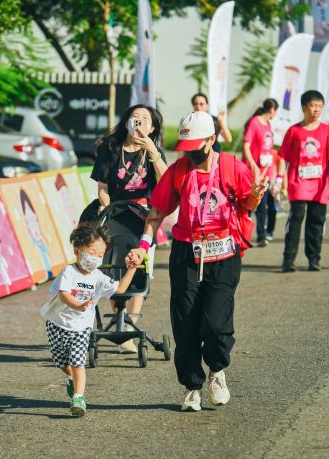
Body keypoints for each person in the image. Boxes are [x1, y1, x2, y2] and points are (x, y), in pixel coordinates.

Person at [126, 111, 268, 411]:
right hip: (187, 254)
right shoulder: (178, 171)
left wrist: (255, 195)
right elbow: (157, 212)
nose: (189, 154)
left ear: (212, 140)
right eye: (185, 147)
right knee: (185, 324)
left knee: (216, 324)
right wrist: (142, 246)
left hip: (224, 255)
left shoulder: (232, 167)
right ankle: (192, 386)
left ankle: (217, 370)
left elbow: (247, 203)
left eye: (195, 147)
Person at [91, 104, 167, 353]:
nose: (139, 121)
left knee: (140, 269)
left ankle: (129, 327)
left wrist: (153, 151)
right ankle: (120, 324)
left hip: (144, 217)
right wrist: (107, 209)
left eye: (145, 119)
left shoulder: (154, 152)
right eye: (134, 117)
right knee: (113, 269)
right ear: (126, 122)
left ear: (152, 127)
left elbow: (166, 183)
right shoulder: (110, 148)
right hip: (113, 213)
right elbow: (102, 187)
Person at [40, 222, 138, 417]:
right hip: (57, 323)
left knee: (78, 362)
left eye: (100, 255)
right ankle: (71, 379)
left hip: (81, 327)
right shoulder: (69, 272)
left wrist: (132, 269)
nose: (95, 258)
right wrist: (77, 305)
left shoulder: (98, 276)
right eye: (91, 253)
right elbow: (63, 294)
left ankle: (78, 398)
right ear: (77, 251)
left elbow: (119, 289)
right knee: (61, 362)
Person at [273, 90, 329, 272]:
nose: (316, 110)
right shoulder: (294, 131)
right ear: (304, 107)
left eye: (320, 106)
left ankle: (314, 259)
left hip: (320, 186)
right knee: (295, 222)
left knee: (316, 222)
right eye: (313, 106)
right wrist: (279, 179)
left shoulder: (326, 131)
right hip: (299, 184)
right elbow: (283, 157)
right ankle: (288, 260)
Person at [243, 98, 279, 246]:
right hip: (252, 172)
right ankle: (242, 234)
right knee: (249, 205)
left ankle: (261, 235)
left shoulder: (268, 125)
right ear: (272, 110)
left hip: (265, 171)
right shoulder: (254, 122)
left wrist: (272, 172)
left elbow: (269, 151)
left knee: (263, 204)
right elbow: (246, 146)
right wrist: (252, 165)